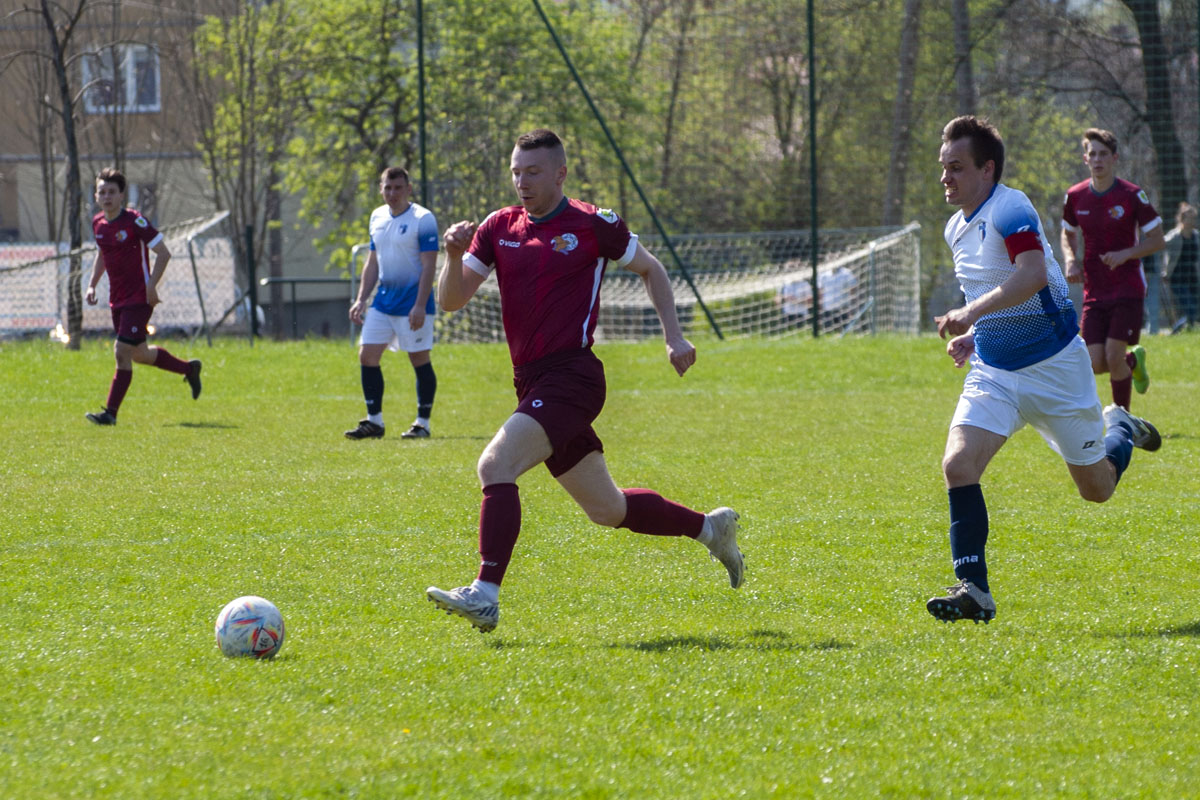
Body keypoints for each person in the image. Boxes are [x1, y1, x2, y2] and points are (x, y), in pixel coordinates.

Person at [425, 129, 743, 632]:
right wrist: (451, 254)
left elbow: (652, 269)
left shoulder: (594, 223)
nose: (522, 181)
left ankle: (485, 594)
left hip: (573, 377)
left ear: (560, 174)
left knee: (495, 464)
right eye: (516, 171)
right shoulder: (498, 226)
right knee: (607, 509)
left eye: (533, 172)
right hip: (532, 383)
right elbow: (451, 301)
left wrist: (674, 337)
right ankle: (710, 529)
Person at [927, 116, 1161, 624]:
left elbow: (1031, 275)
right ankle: (975, 590)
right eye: (944, 167)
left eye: (957, 167)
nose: (946, 177)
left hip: (1056, 369)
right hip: (995, 373)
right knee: (958, 465)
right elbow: (990, 291)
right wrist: (975, 334)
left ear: (987, 169)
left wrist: (968, 313)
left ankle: (1120, 425)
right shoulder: (954, 228)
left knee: (1097, 489)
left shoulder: (1011, 207)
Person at [84, 167, 200, 425]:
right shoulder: (98, 223)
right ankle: (189, 369)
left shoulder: (134, 221)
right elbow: (102, 253)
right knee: (139, 354)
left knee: (121, 351)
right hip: (118, 299)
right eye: (102, 192)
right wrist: (92, 285)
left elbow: (164, 253)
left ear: (121, 195)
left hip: (139, 298)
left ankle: (110, 414)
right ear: (96, 196)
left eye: (112, 192)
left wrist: (151, 286)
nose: (107, 197)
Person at [1060, 128, 1165, 409]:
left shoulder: (1132, 195)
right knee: (1095, 363)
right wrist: (1070, 259)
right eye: (1092, 154)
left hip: (1127, 288)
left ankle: (1123, 421)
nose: (1098, 160)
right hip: (1094, 290)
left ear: (1114, 158)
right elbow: (1068, 233)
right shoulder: (1075, 196)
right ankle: (1133, 362)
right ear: (1085, 158)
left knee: (1113, 355)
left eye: (1103, 154)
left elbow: (1157, 239)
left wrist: (1126, 254)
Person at [345, 167, 439, 440]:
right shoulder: (377, 216)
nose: (392, 193)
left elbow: (429, 265)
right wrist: (361, 299)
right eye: (387, 187)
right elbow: (373, 262)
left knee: (419, 359)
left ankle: (422, 423)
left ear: (408, 189)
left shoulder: (423, 219)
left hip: (413, 304)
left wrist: (420, 305)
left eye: (398, 188)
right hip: (383, 302)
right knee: (367, 355)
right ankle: (374, 422)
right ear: (381, 189)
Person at [1163, 202, 1199, 333]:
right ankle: (1176, 331)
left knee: (1194, 309)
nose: (1192, 220)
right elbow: (1160, 244)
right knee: (1190, 308)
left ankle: (1186, 330)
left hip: (1193, 278)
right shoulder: (1174, 236)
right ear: (1182, 219)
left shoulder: (1196, 236)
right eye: (1190, 218)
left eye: (1194, 218)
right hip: (1177, 278)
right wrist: (1164, 271)